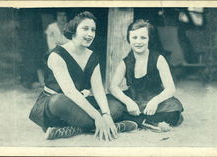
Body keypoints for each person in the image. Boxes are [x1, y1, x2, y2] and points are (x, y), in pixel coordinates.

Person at [29, 11, 137, 141]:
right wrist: (98, 117)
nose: (90, 34)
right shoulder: (57, 55)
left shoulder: (92, 56)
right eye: (85, 29)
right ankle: (116, 126)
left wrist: (106, 114)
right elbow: (70, 92)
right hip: (56, 105)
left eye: (93, 30)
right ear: (73, 30)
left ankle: (74, 129)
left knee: (116, 105)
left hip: (78, 102)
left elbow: (98, 90)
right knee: (57, 101)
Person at [109, 19, 184, 131]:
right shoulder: (125, 62)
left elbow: (170, 88)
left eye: (143, 37)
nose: (138, 42)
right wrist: (128, 102)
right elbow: (112, 87)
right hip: (133, 98)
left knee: (174, 111)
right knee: (111, 107)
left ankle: (132, 121)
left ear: (149, 39)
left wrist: (155, 101)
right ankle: (145, 122)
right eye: (134, 37)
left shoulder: (159, 59)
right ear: (128, 39)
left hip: (154, 100)